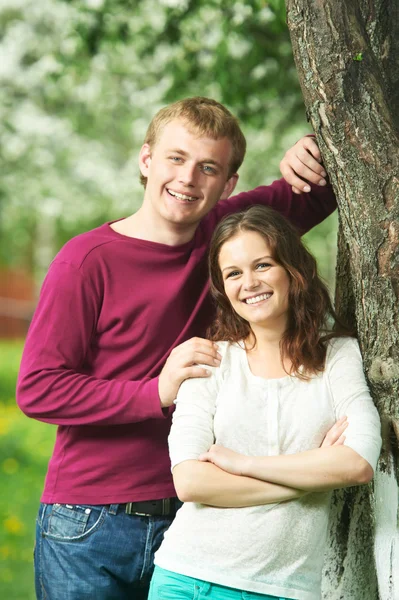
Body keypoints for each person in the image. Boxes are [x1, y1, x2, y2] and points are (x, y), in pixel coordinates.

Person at [17, 97, 337, 600]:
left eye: (208, 167)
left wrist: (312, 149)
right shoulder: (84, 262)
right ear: (146, 160)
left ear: (227, 184)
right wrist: (154, 392)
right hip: (89, 524)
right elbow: (38, 390)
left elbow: (333, 180)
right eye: (176, 158)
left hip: (196, 522)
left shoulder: (230, 234)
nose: (189, 178)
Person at [149, 205, 382, 600]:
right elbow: (190, 482)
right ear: (223, 289)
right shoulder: (212, 362)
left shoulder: (339, 356)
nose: (249, 283)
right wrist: (308, 480)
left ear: (294, 270)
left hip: (284, 589)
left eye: (262, 265)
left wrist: (243, 465)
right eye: (234, 273)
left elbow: (357, 463)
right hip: (187, 578)